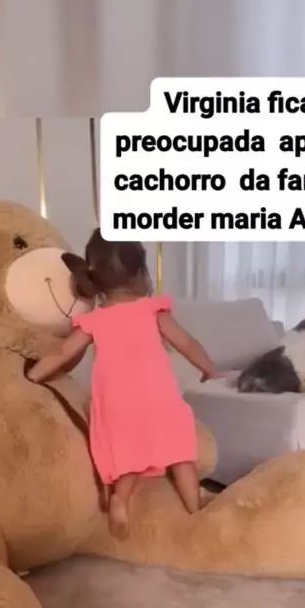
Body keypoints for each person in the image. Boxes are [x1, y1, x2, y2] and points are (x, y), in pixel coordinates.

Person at [27, 229, 218, 538]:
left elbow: (62, 353)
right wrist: (209, 369)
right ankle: (195, 509)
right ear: (140, 272)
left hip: (116, 402)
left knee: (129, 454)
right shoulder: (151, 309)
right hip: (158, 398)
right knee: (180, 450)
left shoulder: (95, 320)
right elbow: (186, 342)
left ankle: (120, 499)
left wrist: (33, 376)